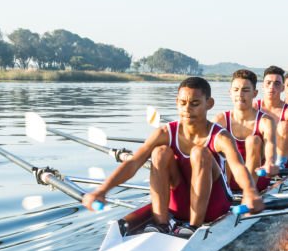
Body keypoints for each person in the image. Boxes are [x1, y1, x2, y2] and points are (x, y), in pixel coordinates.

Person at [82, 77, 263, 237]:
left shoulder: (220, 136)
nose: (187, 110)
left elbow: (238, 167)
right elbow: (133, 163)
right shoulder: (164, 132)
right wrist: (101, 191)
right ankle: (161, 224)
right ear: (176, 102)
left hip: (214, 206)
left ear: (209, 104)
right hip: (179, 205)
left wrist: (250, 191)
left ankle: (194, 228)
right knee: (159, 153)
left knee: (199, 152)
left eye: (195, 103)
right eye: (183, 103)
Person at [215, 69, 280, 191]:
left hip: (257, 179)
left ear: (254, 93)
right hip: (228, 178)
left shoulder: (265, 121)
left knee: (253, 140)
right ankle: (224, 193)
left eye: (245, 90)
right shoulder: (221, 119)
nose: (240, 94)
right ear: (230, 93)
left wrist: (270, 162)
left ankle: (249, 193)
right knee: (224, 145)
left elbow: (270, 144)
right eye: (236, 90)